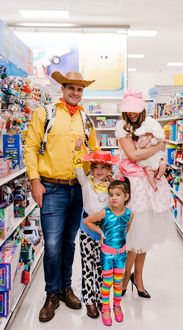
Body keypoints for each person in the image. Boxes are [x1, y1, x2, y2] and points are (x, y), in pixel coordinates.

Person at [24, 71, 99, 322]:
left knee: (69, 243)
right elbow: (31, 147)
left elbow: (95, 152)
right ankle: (51, 294)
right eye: (71, 88)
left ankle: (67, 288)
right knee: (53, 245)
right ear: (63, 89)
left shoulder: (86, 120)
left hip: (78, 189)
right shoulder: (45, 114)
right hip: (51, 188)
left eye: (80, 89)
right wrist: (35, 180)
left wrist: (101, 181)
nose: (75, 93)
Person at [115, 89, 173, 299]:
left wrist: (163, 159)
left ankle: (138, 278)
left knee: (144, 234)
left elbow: (161, 153)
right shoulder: (121, 127)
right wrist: (158, 146)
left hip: (149, 185)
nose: (132, 113)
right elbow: (132, 154)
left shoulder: (151, 123)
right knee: (132, 234)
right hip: (131, 185)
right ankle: (124, 277)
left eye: (135, 109)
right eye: (128, 110)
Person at [73, 141, 118, 319]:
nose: (99, 171)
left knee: (101, 266)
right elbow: (77, 167)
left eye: (103, 168)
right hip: (86, 229)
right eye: (96, 167)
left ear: (109, 170)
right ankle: (89, 300)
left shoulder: (111, 187)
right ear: (91, 168)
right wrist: (77, 151)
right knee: (87, 265)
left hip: (104, 231)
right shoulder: (85, 182)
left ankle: (101, 298)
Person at [84, 180, 133, 326]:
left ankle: (117, 306)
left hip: (121, 254)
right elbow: (87, 221)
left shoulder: (130, 214)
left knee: (118, 283)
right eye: (111, 194)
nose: (114, 198)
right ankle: (105, 308)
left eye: (118, 194)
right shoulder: (105, 212)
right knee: (107, 283)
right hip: (106, 255)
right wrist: (100, 232)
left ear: (126, 196)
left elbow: (126, 228)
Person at [135, 116, 167, 190]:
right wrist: (148, 140)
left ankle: (159, 175)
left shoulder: (155, 137)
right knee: (149, 170)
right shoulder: (142, 138)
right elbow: (140, 146)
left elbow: (161, 144)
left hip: (156, 156)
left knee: (163, 163)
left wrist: (158, 139)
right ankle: (153, 184)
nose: (149, 134)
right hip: (148, 159)